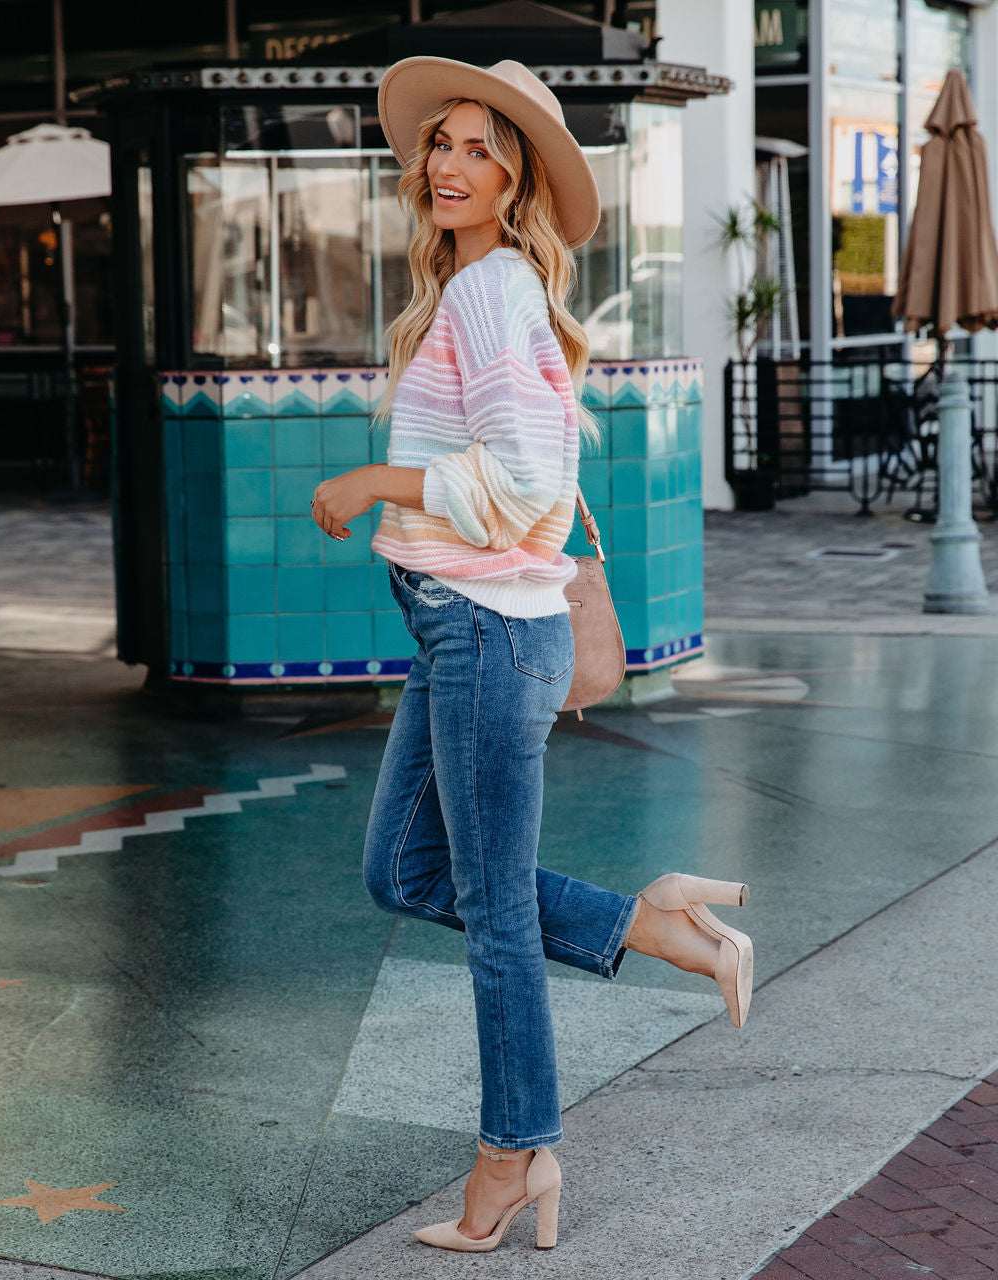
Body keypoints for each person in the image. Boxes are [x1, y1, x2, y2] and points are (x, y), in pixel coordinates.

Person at [309, 56, 754, 1254]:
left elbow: (523, 494)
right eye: (439, 145)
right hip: (459, 625)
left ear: (516, 182)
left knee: (494, 908)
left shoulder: (492, 290)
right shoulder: (469, 289)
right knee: (404, 870)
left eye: (477, 150)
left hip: (488, 632)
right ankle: (646, 925)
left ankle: (515, 1151)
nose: (448, 165)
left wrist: (375, 479)